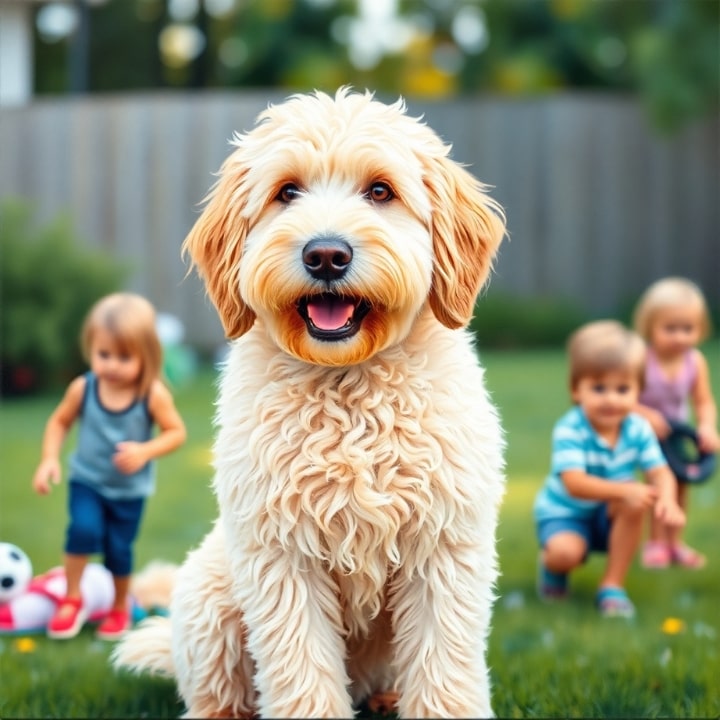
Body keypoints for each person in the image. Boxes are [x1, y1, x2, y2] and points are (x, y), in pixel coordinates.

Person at [32, 292, 187, 640]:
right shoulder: (83, 388)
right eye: (104, 355)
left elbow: (176, 432)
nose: (112, 365)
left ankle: (118, 607)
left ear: (145, 356)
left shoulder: (152, 394)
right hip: (87, 480)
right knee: (83, 531)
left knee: (118, 549)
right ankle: (72, 598)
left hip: (128, 492)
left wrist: (146, 451)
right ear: (91, 349)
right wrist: (48, 460)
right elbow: (59, 422)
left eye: (124, 357)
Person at [533, 320, 685, 618]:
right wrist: (626, 489)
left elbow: (660, 472)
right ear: (576, 390)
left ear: (638, 391)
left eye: (623, 389)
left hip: (609, 513)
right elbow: (575, 483)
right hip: (566, 513)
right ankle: (553, 567)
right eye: (599, 388)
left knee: (634, 503)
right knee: (566, 553)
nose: (611, 399)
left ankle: (611, 586)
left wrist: (667, 500)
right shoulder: (571, 428)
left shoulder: (638, 428)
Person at [632, 277, 719, 569]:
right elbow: (626, 399)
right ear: (650, 327)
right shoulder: (641, 359)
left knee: (681, 486)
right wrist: (647, 415)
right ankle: (655, 543)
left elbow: (703, 401)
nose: (680, 337)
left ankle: (675, 543)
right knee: (658, 486)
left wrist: (707, 427)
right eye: (670, 329)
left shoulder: (695, 362)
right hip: (645, 437)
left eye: (688, 329)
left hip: (678, 435)